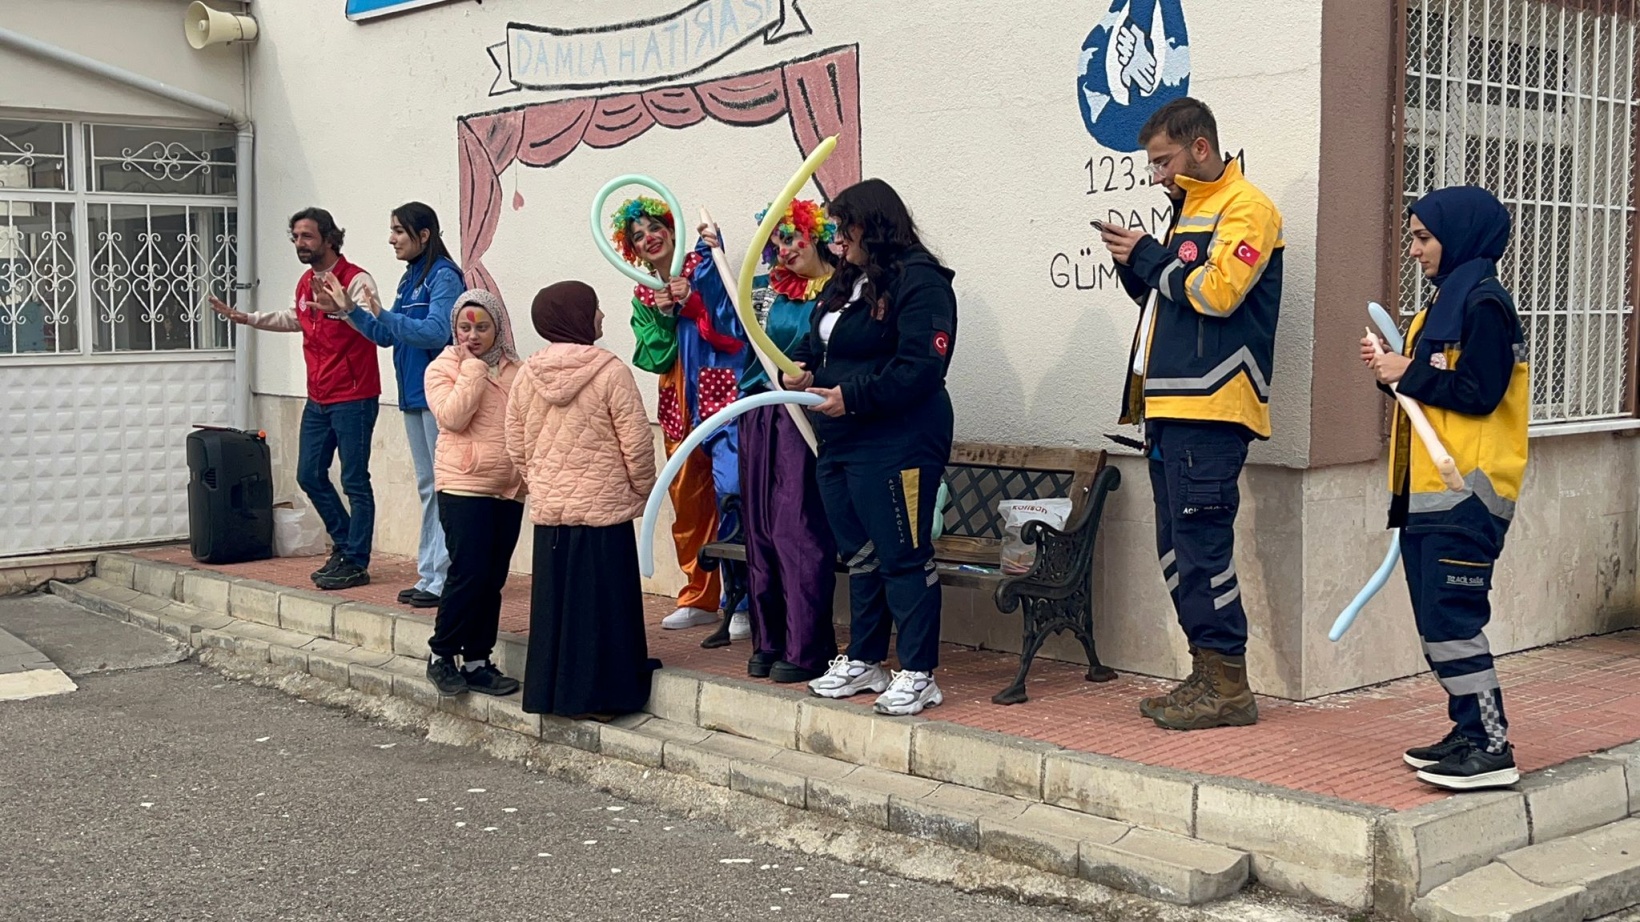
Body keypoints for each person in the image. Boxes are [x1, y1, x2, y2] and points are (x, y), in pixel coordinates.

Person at [1100, 97, 1284, 731]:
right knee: (1177, 548)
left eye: (1163, 161)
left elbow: (1218, 293)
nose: (1156, 175)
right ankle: (1206, 672)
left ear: (1199, 149)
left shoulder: (1248, 209)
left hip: (1212, 406)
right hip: (1169, 407)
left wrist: (1152, 259)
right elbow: (1173, 297)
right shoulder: (1192, 210)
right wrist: (1135, 267)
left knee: (1203, 546)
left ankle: (1228, 684)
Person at [1361, 186, 1528, 791]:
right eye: (1412, 236)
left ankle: (1491, 745)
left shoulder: (1484, 305)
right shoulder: (1443, 306)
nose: (1414, 250)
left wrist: (1408, 371)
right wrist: (1392, 372)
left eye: (1423, 237)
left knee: (1454, 622)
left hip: (1468, 499)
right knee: (1437, 625)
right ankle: (1466, 731)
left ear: (1458, 237)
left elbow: (1478, 394)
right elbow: (1432, 397)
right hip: (1429, 499)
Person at [783, 179, 957, 717]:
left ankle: (919, 671)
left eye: (845, 226)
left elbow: (921, 368)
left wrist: (850, 396)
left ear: (875, 225)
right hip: (841, 440)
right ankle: (864, 659)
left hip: (898, 440)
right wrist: (805, 367)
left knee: (903, 555)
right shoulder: (847, 282)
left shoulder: (922, 283)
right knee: (859, 554)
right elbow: (825, 342)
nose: (837, 238)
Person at [506, 280, 660, 720]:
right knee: (604, 604)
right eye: (594, 309)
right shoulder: (610, 371)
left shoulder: (526, 374)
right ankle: (607, 696)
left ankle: (553, 693)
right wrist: (641, 489)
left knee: (557, 604)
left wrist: (540, 481)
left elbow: (515, 443)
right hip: (604, 509)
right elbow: (635, 442)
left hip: (553, 511)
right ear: (577, 316)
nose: (601, 318)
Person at [704, 200, 839, 684]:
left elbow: (847, 349)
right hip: (758, 415)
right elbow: (724, 319)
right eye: (776, 242)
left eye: (792, 237)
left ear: (815, 234)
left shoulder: (839, 291)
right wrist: (712, 255)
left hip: (803, 421)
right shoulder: (763, 291)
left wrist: (812, 372)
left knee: (796, 530)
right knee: (760, 530)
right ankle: (770, 640)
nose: (785, 250)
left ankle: (809, 646)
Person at [211, 208, 381, 591]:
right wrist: (248, 318)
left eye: (306, 236)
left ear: (329, 238)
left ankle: (356, 560)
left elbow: (374, 326)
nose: (299, 244)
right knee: (309, 474)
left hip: (354, 396)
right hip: (318, 397)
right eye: (295, 238)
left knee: (355, 480)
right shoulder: (306, 282)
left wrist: (342, 311)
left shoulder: (355, 280)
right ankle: (346, 543)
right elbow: (296, 318)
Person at [617, 197, 751, 640]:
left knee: (732, 492)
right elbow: (654, 356)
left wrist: (693, 294)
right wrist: (663, 312)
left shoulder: (704, 263)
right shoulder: (641, 293)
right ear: (631, 249)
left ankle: (744, 601)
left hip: (721, 393)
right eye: (638, 235)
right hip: (678, 401)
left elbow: (733, 321)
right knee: (687, 501)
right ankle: (700, 596)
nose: (649, 237)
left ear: (672, 231)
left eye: (655, 227)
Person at [330, 203, 462, 611]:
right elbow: (388, 336)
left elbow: (437, 331)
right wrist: (350, 311)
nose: (392, 239)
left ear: (424, 235)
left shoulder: (443, 276)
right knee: (428, 488)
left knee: (442, 488)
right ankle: (430, 573)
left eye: (399, 231)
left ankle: (442, 578)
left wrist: (384, 313)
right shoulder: (410, 278)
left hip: (437, 395)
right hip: (412, 395)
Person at [422, 288, 525, 698]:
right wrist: (472, 369)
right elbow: (452, 416)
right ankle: (442, 655)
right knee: (468, 573)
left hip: (508, 489)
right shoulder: (443, 367)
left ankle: (479, 660)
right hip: (464, 485)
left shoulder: (517, 370)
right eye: (465, 327)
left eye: (482, 326)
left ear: (498, 326)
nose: (473, 335)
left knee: (492, 578)